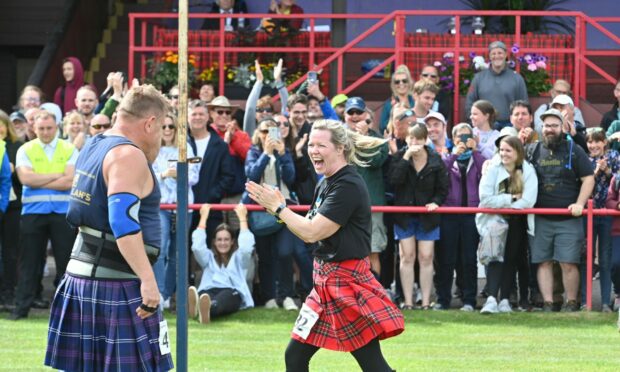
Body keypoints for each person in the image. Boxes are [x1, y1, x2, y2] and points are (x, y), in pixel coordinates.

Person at [246, 119, 404, 371]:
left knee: (373, 365)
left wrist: (278, 207)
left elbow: (312, 232)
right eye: (311, 144)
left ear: (340, 148)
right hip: (325, 283)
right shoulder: (326, 181)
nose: (313, 151)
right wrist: (278, 209)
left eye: (321, 145)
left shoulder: (347, 185)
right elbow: (307, 226)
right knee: (295, 357)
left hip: (346, 283)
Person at [45, 84, 174, 371]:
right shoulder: (128, 155)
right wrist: (148, 279)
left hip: (83, 278)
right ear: (149, 123)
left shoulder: (95, 144)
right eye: (161, 126)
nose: (160, 136)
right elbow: (122, 222)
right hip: (115, 282)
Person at [10, 110, 78, 320]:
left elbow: (70, 181)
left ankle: (69, 312)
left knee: (66, 264)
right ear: (34, 128)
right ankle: (21, 309)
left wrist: (41, 178)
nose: (46, 132)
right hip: (33, 213)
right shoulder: (25, 149)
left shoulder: (69, 148)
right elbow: (26, 180)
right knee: (28, 262)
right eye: (41, 128)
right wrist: (57, 175)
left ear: (56, 127)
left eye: (49, 128)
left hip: (62, 214)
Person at [525, 108, 594, 312]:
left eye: (554, 125)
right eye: (546, 125)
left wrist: (580, 204)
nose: (550, 129)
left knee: (568, 262)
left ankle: (571, 302)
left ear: (563, 127)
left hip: (568, 218)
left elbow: (588, 179)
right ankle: (548, 302)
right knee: (543, 262)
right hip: (540, 217)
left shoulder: (575, 150)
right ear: (541, 127)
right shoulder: (533, 150)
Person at [243, 116, 311, 310]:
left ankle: (287, 295)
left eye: (271, 131)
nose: (268, 135)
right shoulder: (254, 152)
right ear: (258, 133)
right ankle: (270, 297)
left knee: (285, 252)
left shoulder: (284, 152)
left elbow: (291, 178)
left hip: (283, 207)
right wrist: (266, 154)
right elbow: (251, 176)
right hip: (260, 209)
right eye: (264, 131)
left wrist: (282, 155)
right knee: (265, 255)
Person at [388, 124, 449, 309]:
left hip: (427, 217)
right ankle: (407, 302)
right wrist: (406, 157)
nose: (414, 143)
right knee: (407, 256)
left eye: (418, 139)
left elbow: (443, 188)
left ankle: (425, 302)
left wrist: (436, 202)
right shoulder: (399, 158)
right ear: (406, 139)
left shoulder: (435, 160)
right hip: (404, 215)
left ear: (425, 140)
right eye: (411, 139)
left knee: (426, 257)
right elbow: (393, 181)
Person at [477, 135, 538, 314]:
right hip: (494, 220)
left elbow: (528, 200)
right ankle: (490, 298)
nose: (503, 154)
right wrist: (510, 199)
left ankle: (504, 299)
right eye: (501, 150)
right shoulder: (493, 168)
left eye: (508, 150)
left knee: (511, 259)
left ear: (517, 152)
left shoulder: (528, 170)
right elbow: (485, 198)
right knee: (495, 258)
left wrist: (507, 206)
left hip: (517, 222)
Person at [152, 113, 199, 309]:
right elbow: (145, 175)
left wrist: (180, 174)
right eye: (164, 126)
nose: (168, 130)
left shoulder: (185, 147)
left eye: (171, 126)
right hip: (160, 205)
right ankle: (158, 292)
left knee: (176, 253)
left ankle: (165, 294)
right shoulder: (151, 148)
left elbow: (195, 176)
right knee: (159, 250)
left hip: (182, 205)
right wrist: (164, 175)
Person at [435, 123, 485, 311]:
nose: (463, 141)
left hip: (471, 215)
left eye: (467, 137)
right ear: (453, 139)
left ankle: (469, 300)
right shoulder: (447, 158)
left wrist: (475, 150)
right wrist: (456, 153)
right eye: (460, 137)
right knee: (446, 258)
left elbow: (485, 171)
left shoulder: (478, 158)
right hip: (449, 214)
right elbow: (441, 172)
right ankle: (443, 299)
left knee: (468, 258)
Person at [188, 203, 255, 323]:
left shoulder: (239, 258)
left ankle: (204, 309)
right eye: (219, 239)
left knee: (223, 298)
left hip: (230, 292)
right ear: (214, 242)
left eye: (226, 239)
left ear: (232, 241)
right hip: (208, 291)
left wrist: (242, 219)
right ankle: (201, 307)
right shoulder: (208, 258)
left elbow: (246, 248)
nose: (222, 243)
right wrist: (203, 218)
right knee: (204, 295)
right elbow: (197, 247)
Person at [579, 128, 619, 311]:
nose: (593, 145)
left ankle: (605, 302)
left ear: (604, 142)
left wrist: (608, 171)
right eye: (590, 142)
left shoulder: (614, 156)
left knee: (605, 259)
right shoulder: (584, 159)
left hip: (607, 215)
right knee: (586, 257)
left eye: (597, 141)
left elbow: (617, 183)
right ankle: (585, 302)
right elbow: (582, 185)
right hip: (589, 213)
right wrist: (595, 172)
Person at [188, 99, 235, 243]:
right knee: (180, 254)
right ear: (187, 117)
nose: (197, 118)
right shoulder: (180, 142)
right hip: (182, 208)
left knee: (208, 253)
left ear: (208, 117)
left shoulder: (220, 145)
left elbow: (228, 177)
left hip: (210, 209)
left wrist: (211, 195)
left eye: (201, 114)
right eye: (194, 114)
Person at [465, 40, 528, 129]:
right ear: (490, 56)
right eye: (493, 53)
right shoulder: (478, 78)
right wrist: (475, 123)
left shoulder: (517, 79)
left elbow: (524, 105)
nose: (497, 56)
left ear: (506, 55)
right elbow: (469, 103)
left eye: (500, 53)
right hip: (485, 125)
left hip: (509, 126)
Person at [0, 110, 24, 307]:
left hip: (13, 207)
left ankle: (9, 292)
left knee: (11, 251)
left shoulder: (17, 146)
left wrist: (14, 170)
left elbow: (21, 177)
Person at [380, 65, 415, 134]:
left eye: (404, 81)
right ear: (393, 85)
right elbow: (382, 127)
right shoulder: (388, 104)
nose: (401, 83)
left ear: (409, 83)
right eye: (397, 82)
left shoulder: (415, 101)